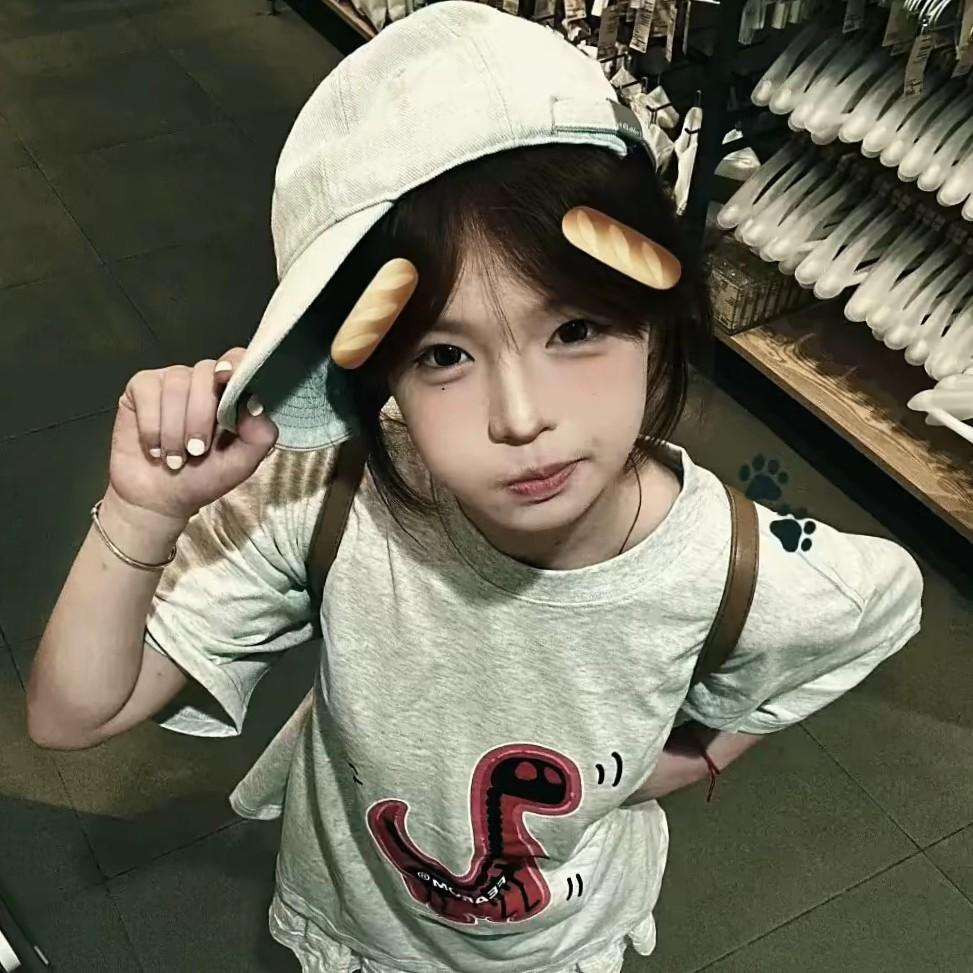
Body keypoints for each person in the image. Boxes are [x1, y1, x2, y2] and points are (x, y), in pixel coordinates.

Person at [26, 4, 923, 972]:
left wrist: (695, 754)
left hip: (560, 944)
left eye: (575, 329)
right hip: (358, 930)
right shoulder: (324, 500)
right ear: (381, 376)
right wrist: (145, 509)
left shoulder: (733, 566)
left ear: (654, 314)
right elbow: (71, 714)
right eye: (444, 354)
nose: (522, 416)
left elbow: (876, 608)